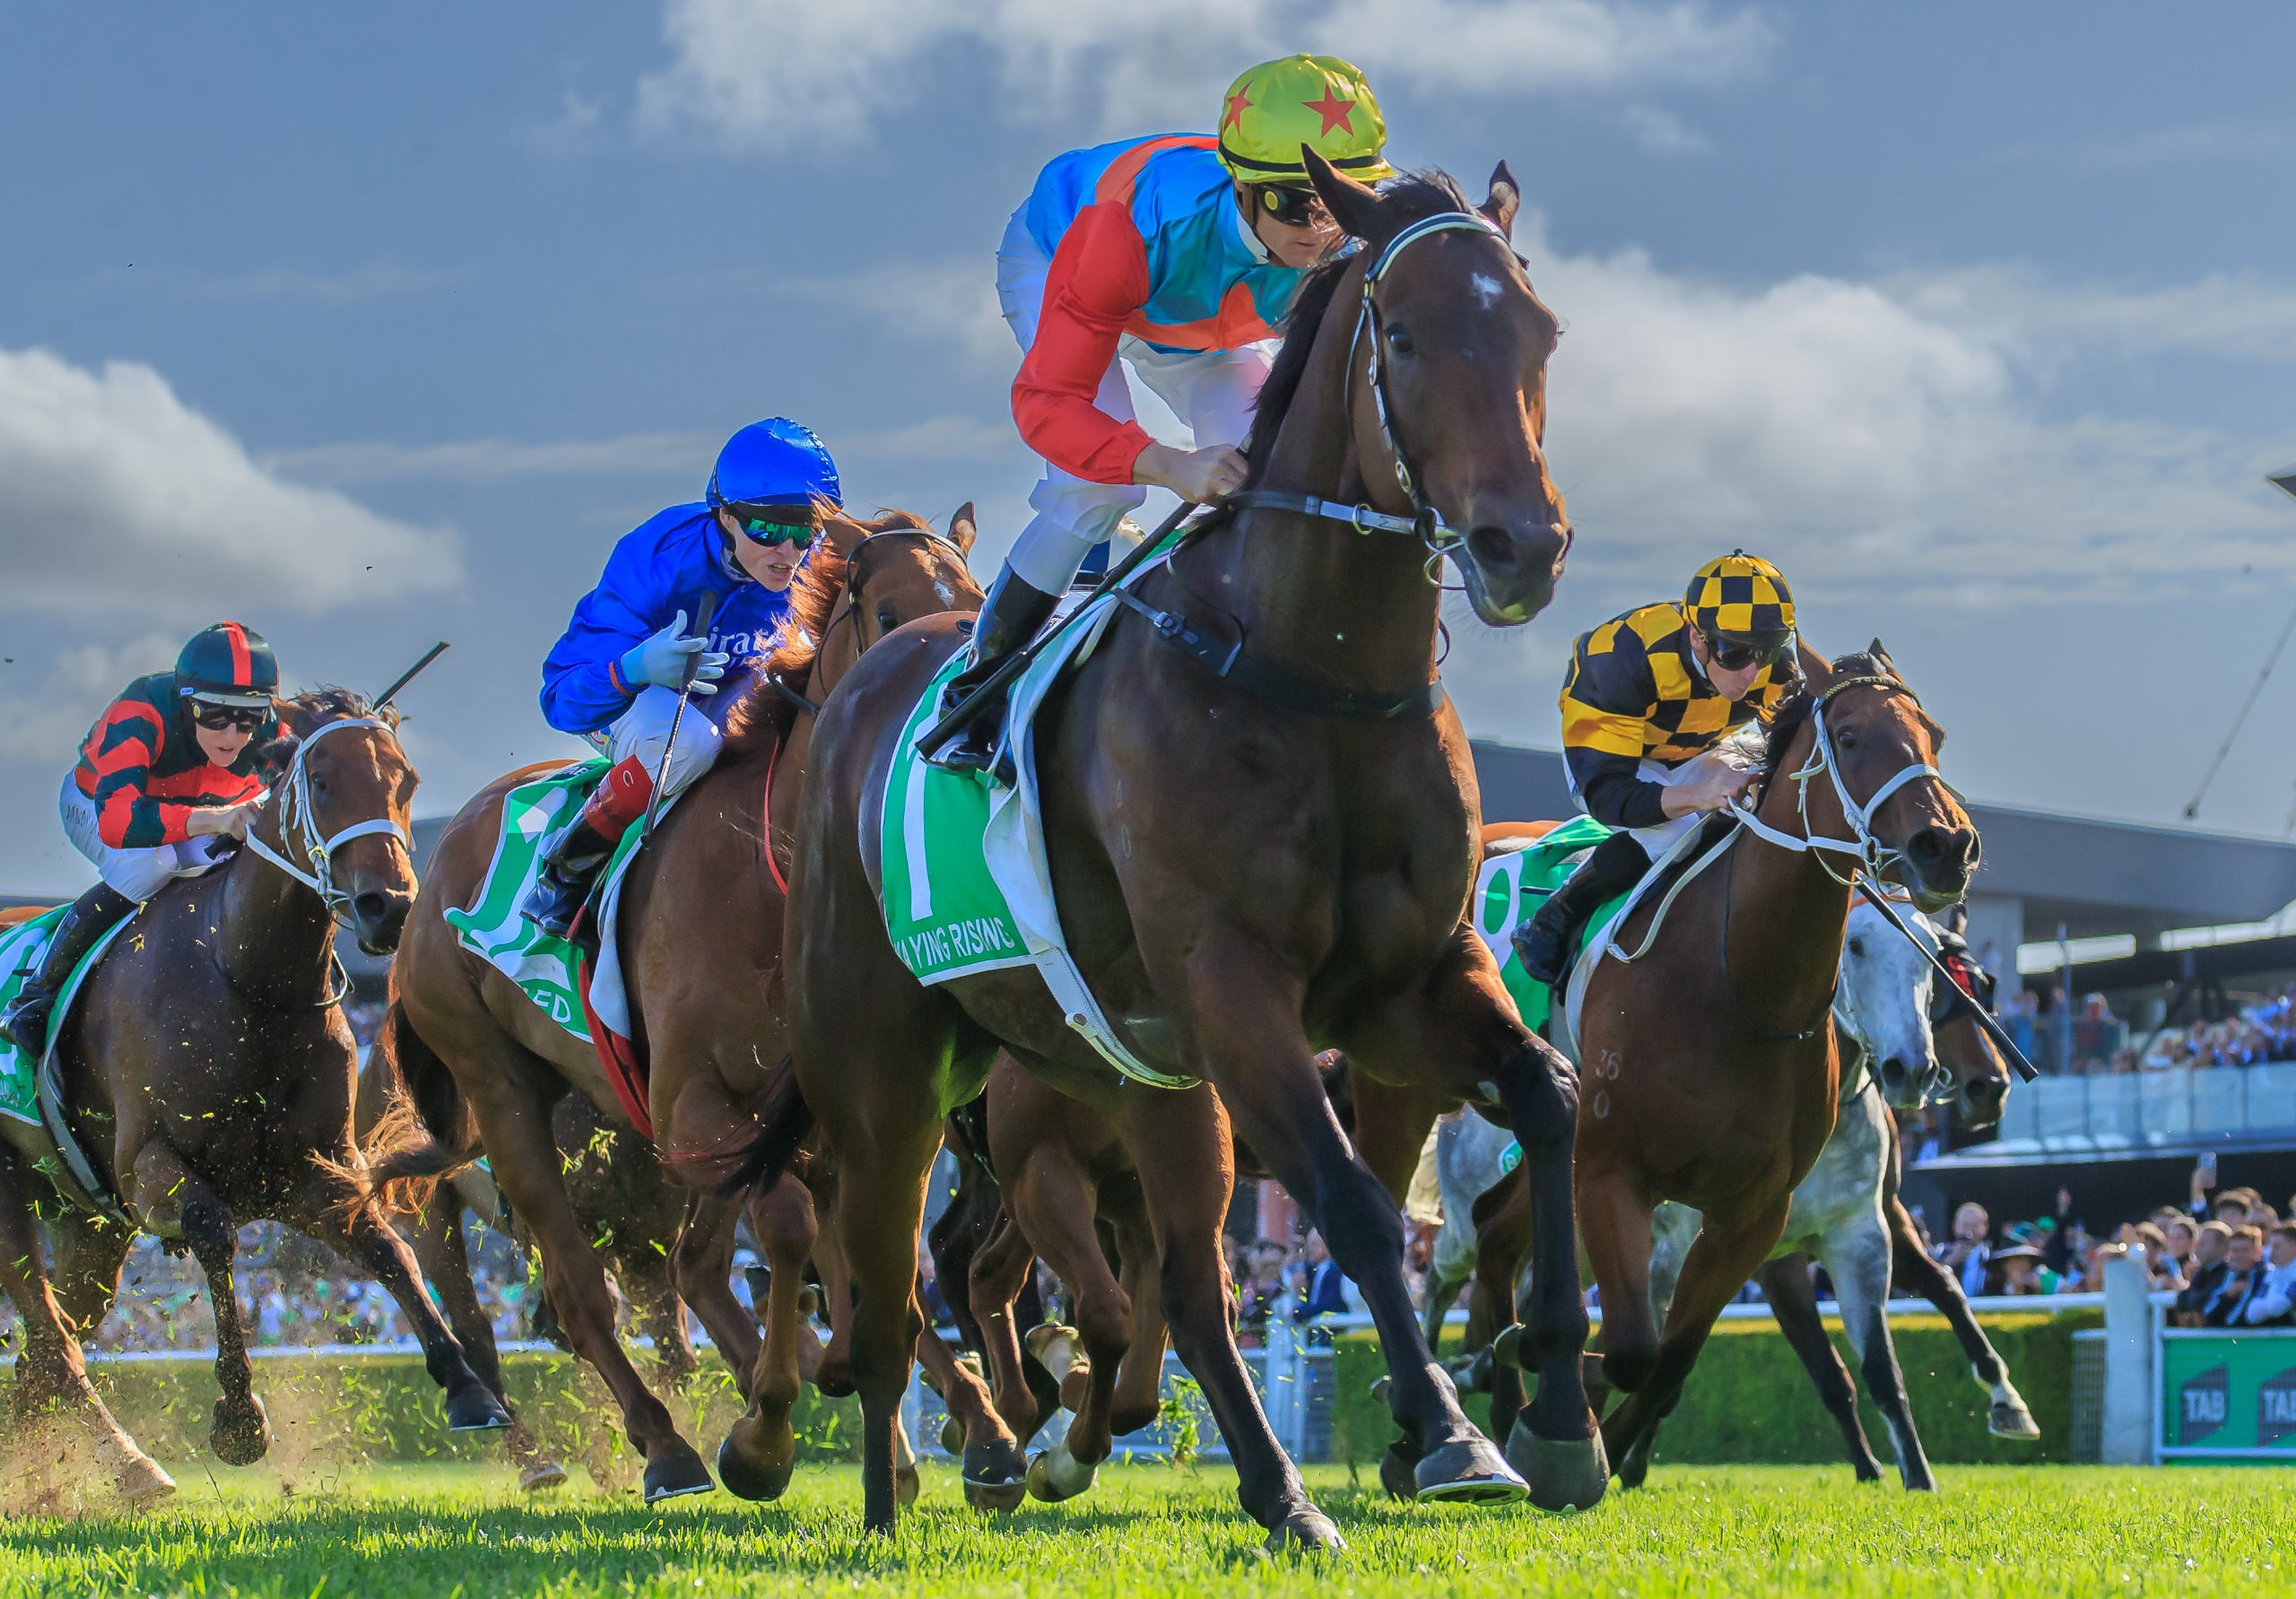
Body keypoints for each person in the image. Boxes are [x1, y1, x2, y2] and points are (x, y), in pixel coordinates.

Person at [931, 54, 1395, 772]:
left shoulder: (1347, 247)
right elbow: (1048, 404)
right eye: (1294, 204)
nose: (1319, 228)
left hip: (1203, 320)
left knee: (1273, 475)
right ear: (1244, 189)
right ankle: (975, 690)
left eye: (1340, 201)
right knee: (1101, 488)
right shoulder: (1127, 232)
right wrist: (1170, 463)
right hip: (1069, 259)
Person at [526, 419, 838, 936]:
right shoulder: (657, 560)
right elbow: (559, 701)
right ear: (725, 517)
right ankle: (570, 866)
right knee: (689, 744)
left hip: (730, 698)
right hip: (618, 698)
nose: (787, 553)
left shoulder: (815, 561)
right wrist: (635, 668)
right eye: (766, 530)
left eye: (803, 529)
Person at [1513, 552, 1800, 986]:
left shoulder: (1767, 667)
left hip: (1698, 748)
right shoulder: (1621, 660)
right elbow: (1609, 797)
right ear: (1698, 637)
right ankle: (1555, 916)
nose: (1753, 672)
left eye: (1767, 652)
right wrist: (1698, 796)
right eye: (1736, 653)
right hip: (1613, 760)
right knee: (1678, 828)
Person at [0, 622, 280, 1057]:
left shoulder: (272, 732)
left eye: (248, 716)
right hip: (96, 804)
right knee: (149, 864)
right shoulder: (141, 710)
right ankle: (34, 998)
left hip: (190, 815)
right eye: (215, 714)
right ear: (187, 703)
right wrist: (215, 818)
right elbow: (119, 824)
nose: (232, 735)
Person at [2242, 1222, 2296, 1327]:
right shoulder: (2272, 1274)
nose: (2272, 1251)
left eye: (2277, 1246)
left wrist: (2266, 1306)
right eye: (2271, 1246)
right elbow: (2251, 1314)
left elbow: (2278, 1307)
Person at [1937, 1200, 1993, 1299]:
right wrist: (1949, 1262)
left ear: (1985, 1228)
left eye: (1975, 1226)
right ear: (1955, 1226)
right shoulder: (1940, 1253)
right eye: (1965, 1225)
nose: (1969, 1232)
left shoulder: (1991, 1257)